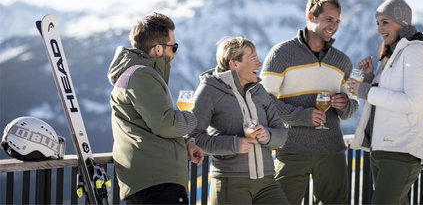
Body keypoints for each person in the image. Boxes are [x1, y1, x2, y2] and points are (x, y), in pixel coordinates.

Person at [260, 0, 359, 204]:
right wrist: (302, 116)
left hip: (331, 152)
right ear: (311, 17)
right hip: (291, 149)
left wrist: (345, 104)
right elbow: (263, 101)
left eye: (337, 21)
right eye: (328, 19)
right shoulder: (281, 54)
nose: (333, 26)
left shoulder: (342, 61)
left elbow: (350, 110)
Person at [349, 0, 423, 204]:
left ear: (402, 22)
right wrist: (371, 78)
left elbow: (412, 102)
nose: (379, 29)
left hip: (401, 151)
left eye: (385, 22)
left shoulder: (417, 51)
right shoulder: (393, 53)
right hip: (383, 149)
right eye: (378, 23)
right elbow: (385, 96)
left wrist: (364, 90)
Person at [107, 12, 204, 204]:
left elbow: (149, 126)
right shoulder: (142, 75)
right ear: (158, 49)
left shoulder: (139, 73)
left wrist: (185, 144)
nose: (176, 53)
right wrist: (192, 118)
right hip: (158, 182)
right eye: (173, 47)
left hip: (151, 179)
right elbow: (165, 125)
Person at [190, 37, 289, 205]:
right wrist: (234, 144)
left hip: (267, 181)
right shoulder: (209, 90)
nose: (259, 64)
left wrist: (267, 135)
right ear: (234, 63)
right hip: (230, 181)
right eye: (253, 59)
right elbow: (194, 139)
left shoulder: (260, 90)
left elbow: (281, 133)